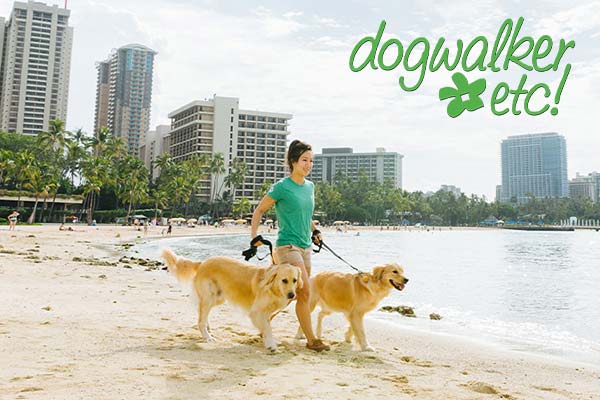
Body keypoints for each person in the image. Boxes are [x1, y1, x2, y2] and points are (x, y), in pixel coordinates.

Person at [250, 140, 329, 352]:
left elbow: (306, 215)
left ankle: (263, 319)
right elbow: (258, 211)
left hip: (305, 247)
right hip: (287, 247)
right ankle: (312, 340)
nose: (308, 164)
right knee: (306, 293)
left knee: (292, 295)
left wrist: (315, 231)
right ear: (293, 161)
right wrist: (254, 237)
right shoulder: (282, 187)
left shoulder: (310, 187)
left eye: (311, 160)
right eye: (304, 160)